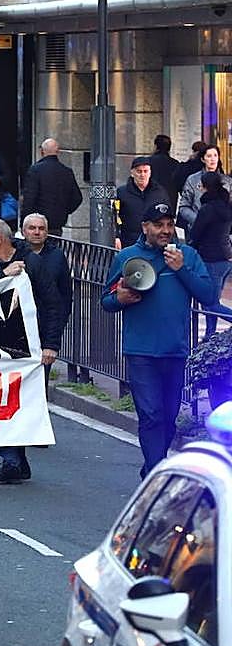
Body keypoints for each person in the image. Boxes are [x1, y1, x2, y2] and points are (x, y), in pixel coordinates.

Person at [102, 202, 218, 478]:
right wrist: (119, 299)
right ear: (146, 227)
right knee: (151, 415)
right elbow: (106, 301)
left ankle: (152, 466)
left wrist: (181, 269)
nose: (165, 231)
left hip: (175, 350)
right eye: (159, 225)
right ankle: (156, 474)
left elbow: (208, 296)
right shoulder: (127, 257)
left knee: (168, 420)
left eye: (169, 225)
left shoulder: (187, 255)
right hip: (140, 351)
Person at [0, 219, 63, 485]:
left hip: (29, 347)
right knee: (4, 401)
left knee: (19, 401)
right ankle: (15, 461)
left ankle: (13, 461)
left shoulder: (32, 263)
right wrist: (3, 276)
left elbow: (52, 304)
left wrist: (51, 344)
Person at [20, 213, 72, 374]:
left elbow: (65, 294)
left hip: (46, 326)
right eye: (32, 228)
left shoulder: (57, 256)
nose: (37, 232)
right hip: (18, 328)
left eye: (41, 229)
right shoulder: (15, 254)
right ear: (23, 232)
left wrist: (57, 328)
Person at [186, 171, 232, 338]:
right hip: (225, 257)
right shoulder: (226, 206)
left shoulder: (208, 209)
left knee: (209, 303)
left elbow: (196, 233)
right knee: (212, 300)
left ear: (205, 187)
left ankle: (210, 334)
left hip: (211, 258)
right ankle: (210, 334)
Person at [20, 138, 83, 235]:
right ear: (57, 152)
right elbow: (77, 198)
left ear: (42, 151)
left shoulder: (35, 170)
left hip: (37, 225)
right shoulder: (66, 171)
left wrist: (24, 223)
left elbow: (29, 199)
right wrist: (64, 211)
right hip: (57, 223)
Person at [114, 157, 168, 249]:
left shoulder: (160, 193)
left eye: (145, 171)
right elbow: (115, 216)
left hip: (155, 242)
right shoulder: (121, 193)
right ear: (132, 173)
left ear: (150, 172)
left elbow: (167, 216)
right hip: (129, 242)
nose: (142, 175)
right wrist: (116, 236)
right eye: (139, 171)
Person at [177, 144, 232, 234]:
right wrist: (199, 221)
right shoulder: (193, 180)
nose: (213, 159)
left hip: (222, 232)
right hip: (197, 229)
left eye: (215, 155)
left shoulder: (227, 181)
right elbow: (184, 207)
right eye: (209, 156)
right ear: (203, 159)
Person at [148, 134, 181, 212]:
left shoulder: (149, 162)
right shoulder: (175, 164)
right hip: (170, 202)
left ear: (155, 146)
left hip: (152, 200)